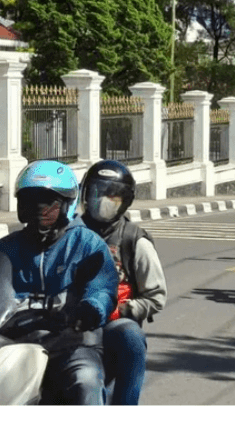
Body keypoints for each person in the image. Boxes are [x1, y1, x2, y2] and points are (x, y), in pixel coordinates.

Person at [0, 160, 118, 405]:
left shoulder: (86, 243)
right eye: (31, 201)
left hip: (71, 344)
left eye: (48, 202)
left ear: (67, 204)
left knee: (86, 382)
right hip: (12, 345)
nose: (40, 209)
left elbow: (101, 285)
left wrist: (91, 308)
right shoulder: (6, 247)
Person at [79, 160, 167, 406]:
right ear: (86, 193)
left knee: (131, 336)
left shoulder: (134, 240)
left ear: (125, 201)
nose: (103, 200)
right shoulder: (72, 233)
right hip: (72, 323)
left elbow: (156, 296)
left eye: (113, 195)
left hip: (113, 327)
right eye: (97, 192)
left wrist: (123, 310)